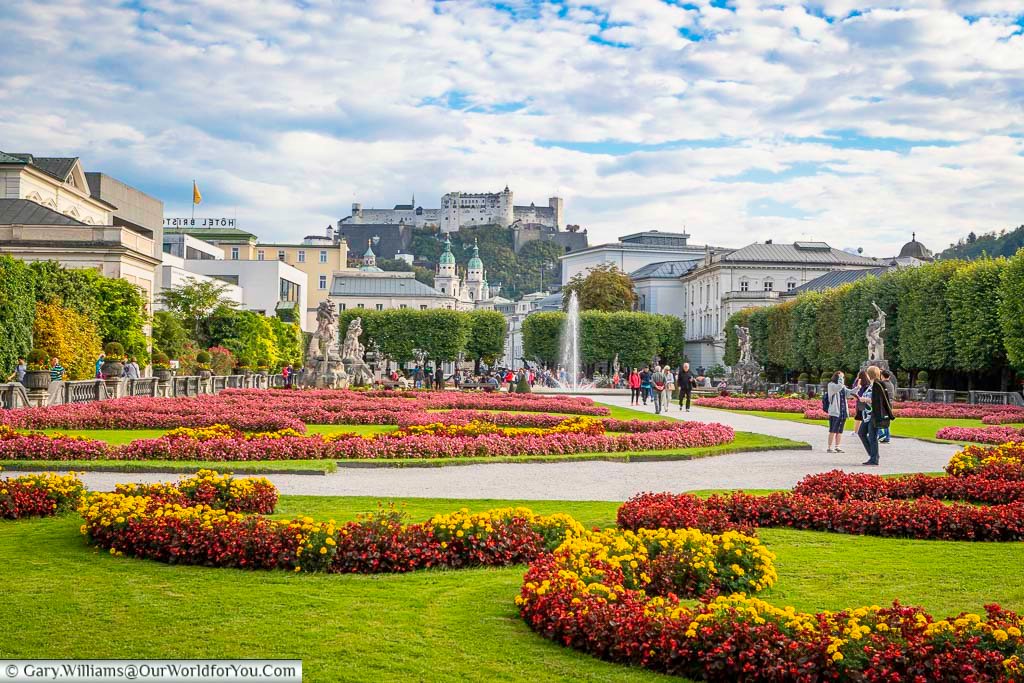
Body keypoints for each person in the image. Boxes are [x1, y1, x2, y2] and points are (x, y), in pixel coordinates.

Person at [856, 366, 895, 466]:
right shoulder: (873, 384)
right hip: (868, 415)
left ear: (869, 374)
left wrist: (865, 400)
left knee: (872, 436)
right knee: (862, 433)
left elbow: (877, 401)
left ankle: (874, 458)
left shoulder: (877, 384)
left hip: (874, 414)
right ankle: (873, 455)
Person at [825, 371, 848, 453]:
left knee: (840, 430)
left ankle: (837, 446)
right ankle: (829, 447)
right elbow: (839, 387)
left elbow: (848, 393)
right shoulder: (831, 385)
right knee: (833, 430)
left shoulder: (842, 386)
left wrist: (857, 388)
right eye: (841, 377)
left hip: (842, 411)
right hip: (835, 411)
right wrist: (841, 377)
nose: (843, 378)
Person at [878, 370, 896, 443]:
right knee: (886, 421)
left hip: (883, 404)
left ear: (882, 376)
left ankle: (881, 434)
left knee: (876, 420)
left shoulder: (881, 384)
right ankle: (887, 437)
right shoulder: (891, 384)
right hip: (889, 404)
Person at [851, 370, 870, 436]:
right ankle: (867, 431)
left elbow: (853, 391)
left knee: (858, 417)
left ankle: (856, 432)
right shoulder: (868, 382)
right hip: (867, 400)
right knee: (866, 416)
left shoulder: (857, 381)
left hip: (860, 401)